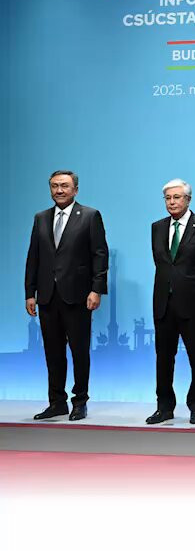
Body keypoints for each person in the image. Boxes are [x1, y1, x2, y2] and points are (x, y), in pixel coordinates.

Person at [25, 170, 108, 421]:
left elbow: (100, 254)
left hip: (78, 295)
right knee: (52, 352)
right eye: (54, 186)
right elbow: (33, 257)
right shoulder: (40, 218)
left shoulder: (90, 216)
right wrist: (30, 292)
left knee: (79, 351)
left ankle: (80, 402)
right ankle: (56, 402)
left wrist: (96, 289)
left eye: (64, 185)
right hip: (47, 296)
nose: (59, 190)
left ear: (75, 189)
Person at [148, 179, 195, 425]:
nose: (172, 202)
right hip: (163, 303)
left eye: (177, 197)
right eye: (168, 198)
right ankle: (164, 407)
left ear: (188, 199)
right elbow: (161, 264)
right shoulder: (157, 227)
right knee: (163, 358)